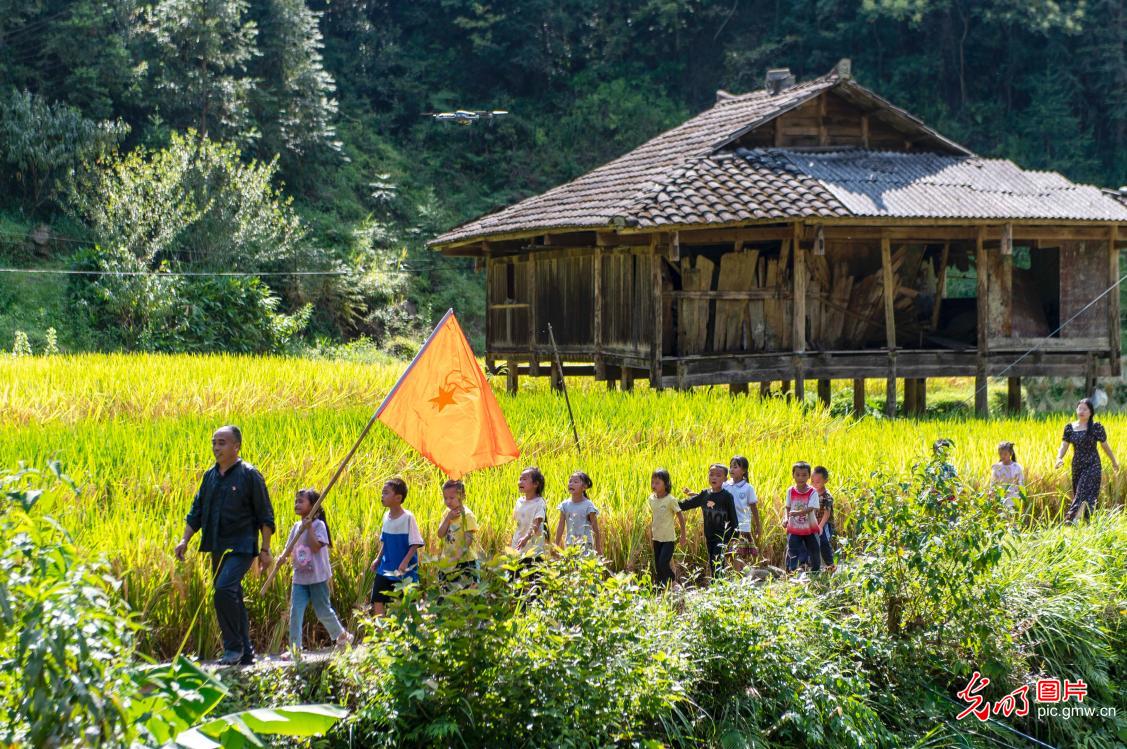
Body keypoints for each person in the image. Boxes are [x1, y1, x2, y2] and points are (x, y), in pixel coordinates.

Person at [174, 425, 275, 666]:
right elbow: (196, 511)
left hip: (242, 546)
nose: (216, 447)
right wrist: (185, 539)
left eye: (222, 443)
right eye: (214, 442)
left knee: (224, 589)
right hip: (217, 546)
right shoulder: (209, 476)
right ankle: (246, 653)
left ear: (236, 446)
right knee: (232, 595)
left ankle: (232, 648)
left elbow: (265, 514)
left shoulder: (250, 474)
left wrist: (265, 550)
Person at [282, 488, 350, 659]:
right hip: (299, 577)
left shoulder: (319, 526)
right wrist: (281, 558)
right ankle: (295, 649)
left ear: (314, 507)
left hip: (317, 577)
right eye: (296, 501)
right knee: (295, 611)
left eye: (301, 501)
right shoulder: (296, 526)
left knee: (322, 610)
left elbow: (315, 546)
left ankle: (342, 636)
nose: (297, 504)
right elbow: (289, 547)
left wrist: (309, 527)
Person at [1055, 398, 1119, 523]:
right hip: (1077, 465)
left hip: (1092, 464)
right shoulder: (1070, 428)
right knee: (1081, 493)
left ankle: (1072, 518)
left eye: (1085, 409)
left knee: (1082, 490)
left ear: (1091, 412)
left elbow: (1105, 446)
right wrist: (1059, 458)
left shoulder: (1096, 427)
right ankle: (1083, 522)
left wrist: (1114, 461)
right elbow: (1064, 445)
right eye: (1079, 408)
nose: (1081, 411)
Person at [369, 477, 424, 616]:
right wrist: (378, 559)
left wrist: (405, 562)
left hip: (404, 570)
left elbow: (415, 542)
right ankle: (381, 632)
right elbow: (385, 542)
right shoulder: (386, 516)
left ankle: (405, 631)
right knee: (377, 598)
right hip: (385, 568)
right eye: (382, 492)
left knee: (406, 603)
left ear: (398, 498)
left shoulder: (408, 518)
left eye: (386, 493)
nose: (382, 496)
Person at [680, 464, 739, 579]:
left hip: (722, 536)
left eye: (718, 475)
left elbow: (733, 518)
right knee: (712, 560)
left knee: (717, 558)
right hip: (709, 535)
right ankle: (717, 584)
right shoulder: (704, 494)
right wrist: (669, 502)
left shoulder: (727, 496)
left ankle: (719, 584)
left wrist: (734, 537)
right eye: (711, 474)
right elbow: (687, 504)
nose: (714, 477)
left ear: (725, 479)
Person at [436, 479, 481, 590]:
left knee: (468, 592)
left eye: (452, 498)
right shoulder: (447, 513)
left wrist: (457, 557)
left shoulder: (468, 515)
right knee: (447, 591)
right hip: (448, 559)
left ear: (462, 496)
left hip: (465, 561)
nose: (448, 502)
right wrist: (447, 519)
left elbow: (468, 540)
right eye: (445, 498)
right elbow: (440, 534)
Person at [648, 468, 686, 588]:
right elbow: (654, 517)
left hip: (668, 539)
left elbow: (680, 517)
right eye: (652, 482)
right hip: (656, 538)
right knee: (658, 566)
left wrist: (683, 535)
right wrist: (651, 534)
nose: (654, 485)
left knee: (663, 562)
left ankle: (673, 583)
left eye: (657, 482)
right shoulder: (651, 499)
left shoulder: (671, 500)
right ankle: (663, 589)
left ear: (666, 484)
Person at [554, 471, 603, 557]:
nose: (571, 484)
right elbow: (560, 527)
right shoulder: (564, 505)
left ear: (584, 487)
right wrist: (556, 545)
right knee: (571, 569)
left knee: (584, 569)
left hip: (586, 545)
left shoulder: (588, 505)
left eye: (575, 482)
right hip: (570, 545)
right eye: (570, 481)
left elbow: (596, 529)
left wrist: (598, 548)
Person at [784, 461, 821, 573]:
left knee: (814, 549)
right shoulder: (790, 491)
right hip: (794, 527)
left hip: (810, 527)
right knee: (792, 548)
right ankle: (791, 571)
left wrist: (796, 513)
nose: (801, 478)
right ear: (793, 475)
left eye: (804, 475)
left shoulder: (812, 492)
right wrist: (785, 518)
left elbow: (811, 508)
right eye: (798, 475)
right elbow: (787, 507)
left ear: (809, 476)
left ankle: (815, 570)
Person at [724, 455, 760, 568]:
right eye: (730, 467)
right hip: (728, 526)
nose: (731, 469)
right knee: (729, 554)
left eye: (735, 467)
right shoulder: (725, 485)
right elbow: (711, 495)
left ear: (744, 470)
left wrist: (758, 526)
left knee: (738, 554)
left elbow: (753, 507)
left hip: (742, 526)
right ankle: (740, 573)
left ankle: (743, 574)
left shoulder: (748, 488)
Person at [511, 466, 548, 568]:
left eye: (524, 479)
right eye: (520, 479)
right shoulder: (519, 501)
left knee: (535, 581)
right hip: (518, 546)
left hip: (534, 549)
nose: (520, 482)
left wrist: (526, 537)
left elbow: (537, 524)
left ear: (536, 484)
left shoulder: (539, 502)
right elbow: (518, 523)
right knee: (514, 579)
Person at [811, 466, 835, 571]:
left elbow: (827, 512)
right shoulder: (811, 493)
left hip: (824, 523)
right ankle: (813, 567)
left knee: (824, 541)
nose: (814, 484)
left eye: (818, 482)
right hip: (813, 522)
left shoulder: (827, 496)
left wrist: (820, 526)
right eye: (812, 481)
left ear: (825, 481)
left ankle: (830, 565)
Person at [990, 441, 1024, 510]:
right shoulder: (996, 467)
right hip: (1000, 498)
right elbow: (992, 483)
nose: (1002, 456)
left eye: (1005, 454)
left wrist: (1021, 497)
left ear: (1011, 453)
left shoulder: (1017, 467)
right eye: (1000, 454)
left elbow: (1021, 484)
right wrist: (991, 492)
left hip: (1013, 499)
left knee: (1011, 517)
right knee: (1001, 517)